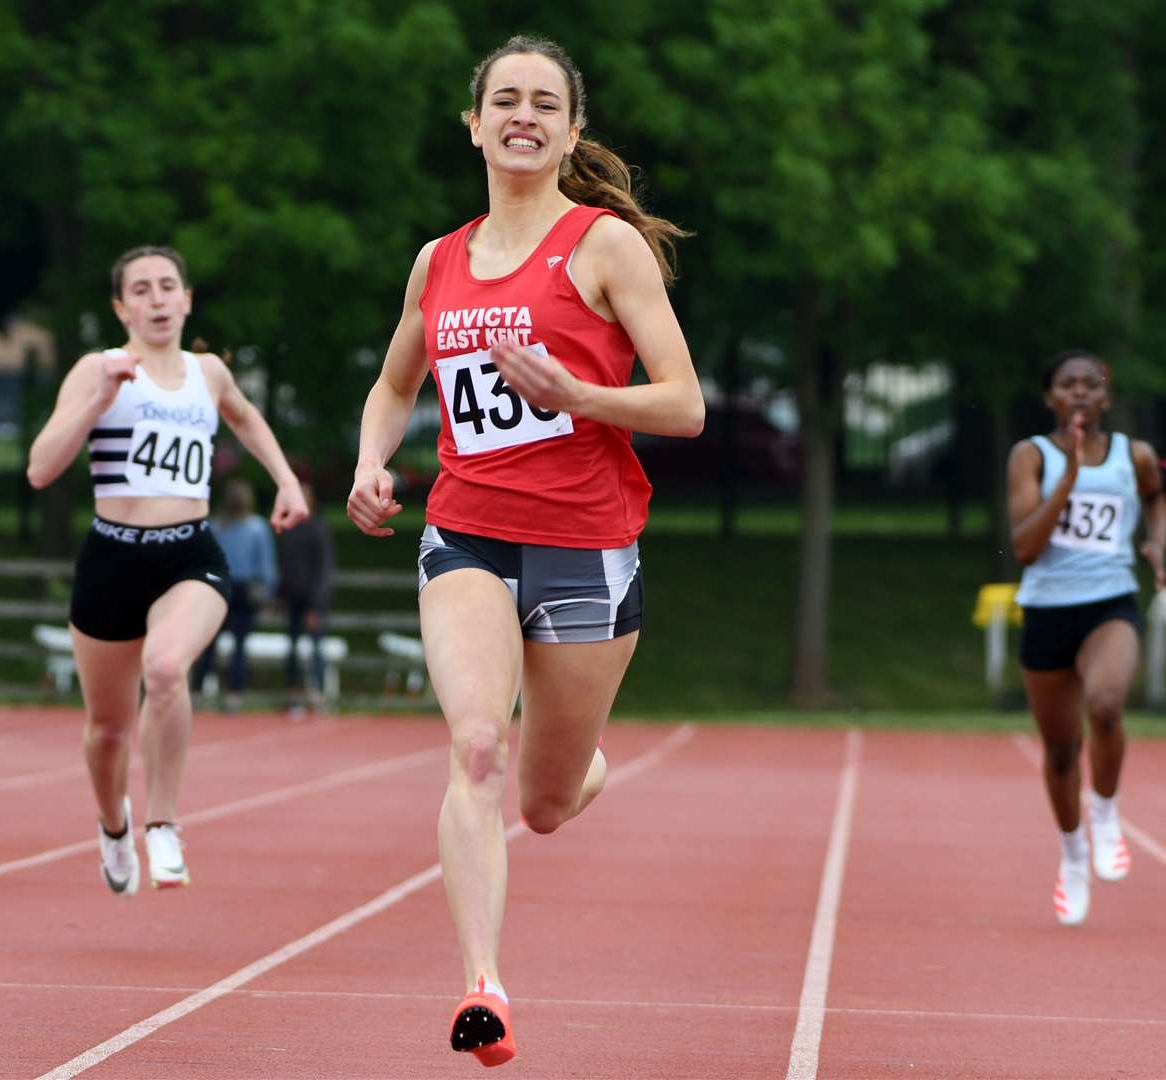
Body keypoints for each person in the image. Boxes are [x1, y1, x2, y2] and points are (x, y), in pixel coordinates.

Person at [346, 35, 704, 1066]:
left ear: (571, 129)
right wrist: (373, 460)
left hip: (587, 546)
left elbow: (684, 404)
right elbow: (394, 383)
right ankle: (484, 988)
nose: (524, 115)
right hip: (465, 530)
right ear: (474, 123)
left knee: (542, 804)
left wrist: (578, 395)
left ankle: (577, 759)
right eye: (505, 99)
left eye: (545, 103)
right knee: (473, 746)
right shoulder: (440, 259)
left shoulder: (604, 247)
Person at [27, 245, 308, 895]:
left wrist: (286, 482)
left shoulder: (207, 372)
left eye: (167, 287)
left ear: (186, 298)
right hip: (111, 558)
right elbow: (42, 467)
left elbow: (243, 415)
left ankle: (162, 823)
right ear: (122, 307)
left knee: (166, 669)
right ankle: (113, 827)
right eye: (142, 290)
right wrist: (98, 398)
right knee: (107, 730)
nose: (157, 299)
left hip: (189, 554)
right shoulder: (99, 369)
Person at [1007, 350, 1166, 926]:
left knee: (1104, 707)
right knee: (1058, 751)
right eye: (1066, 385)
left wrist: (1156, 541)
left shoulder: (1136, 455)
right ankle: (1073, 854)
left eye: (1090, 385)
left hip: (1110, 603)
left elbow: (1156, 496)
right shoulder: (1031, 455)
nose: (1079, 393)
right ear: (1051, 397)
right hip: (1049, 609)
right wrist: (1068, 480)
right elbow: (1026, 547)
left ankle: (1104, 812)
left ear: (1106, 397)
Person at [192, 477, 279, 711]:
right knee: (239, 644)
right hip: (244, 589)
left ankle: (198, 690)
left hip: (219, 586)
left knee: (208, 642)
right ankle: (233, 693)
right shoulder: (256, 527)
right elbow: (266, 565)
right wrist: (268, 593)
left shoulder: (216, 525)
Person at [277, 480, 335, 715]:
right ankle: (292, 692)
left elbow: (324, 568)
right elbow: (284, 564)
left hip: (313, 599)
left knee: (316, 648)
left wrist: (315, 604)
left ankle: (317, 693)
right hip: (292, 598)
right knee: (291, 648)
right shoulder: (288, 527)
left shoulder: (318, 528)